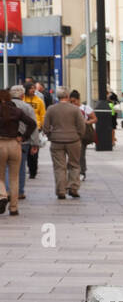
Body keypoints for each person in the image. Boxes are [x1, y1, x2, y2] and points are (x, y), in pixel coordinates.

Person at [0, 85, 38, 216]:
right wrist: (23, 137)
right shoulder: (16, 111)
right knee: (14, 177)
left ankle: (3, 195)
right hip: (15, 144)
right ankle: (14, 208)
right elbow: (32, 124)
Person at [44, 87, 86, 200]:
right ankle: (73, 188)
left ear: (57, 96)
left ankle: (61, 190)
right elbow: (82, 125)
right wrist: (79, 136)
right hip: (73, 140)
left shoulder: (51, 109)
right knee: (74, 165)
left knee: (59, 167)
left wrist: (50, 136)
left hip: (56, 141)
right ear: (67, 96)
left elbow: (46, 126)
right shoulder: (75, 109)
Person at [21, 81, 45, 182]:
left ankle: (33, 171)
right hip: (24, 128)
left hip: (36, 128)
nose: (33, 90)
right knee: (24, 150)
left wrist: (42, 126)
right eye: (31, 88)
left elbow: (43, 114)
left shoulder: (39, 101)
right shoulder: (22, 100)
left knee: (34, 150)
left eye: (34, 88)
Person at [70, 90, 95, 180]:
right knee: (72, 154)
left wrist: (87, 122)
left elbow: (94, 119)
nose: (73, 103)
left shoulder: (85, 108)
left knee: (81, 154)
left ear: (78, 99)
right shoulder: (70, 108)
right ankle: (74, 171)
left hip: (82, 134)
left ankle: (82, 172)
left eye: (74, 101)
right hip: (72, 133)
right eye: (71, 101)